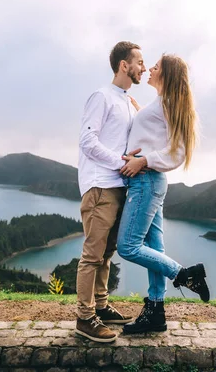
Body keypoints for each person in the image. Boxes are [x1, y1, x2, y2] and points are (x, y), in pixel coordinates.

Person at [117, 54, 209, 334]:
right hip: (150, 183)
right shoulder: (161, 103)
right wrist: (138, 109)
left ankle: (185, 275)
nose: (149, 69)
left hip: (146, 181)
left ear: (166, 74)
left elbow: (177, 152)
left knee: (128, 246)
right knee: (155, 250)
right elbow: (155, 133)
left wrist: (142, 161)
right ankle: (156, 313)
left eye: (155, 66)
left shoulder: (168, 103)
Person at [75, 41, 146, 343]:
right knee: (92, 255)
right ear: (123, 65)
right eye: (139, 62)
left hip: (118, 187)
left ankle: (101, 307)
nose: (143, 67)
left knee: (106, 253)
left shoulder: (128, 101)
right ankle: (84, 317)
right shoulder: (101, 97)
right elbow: (88, 142)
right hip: (100, 186)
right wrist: (122, 162)